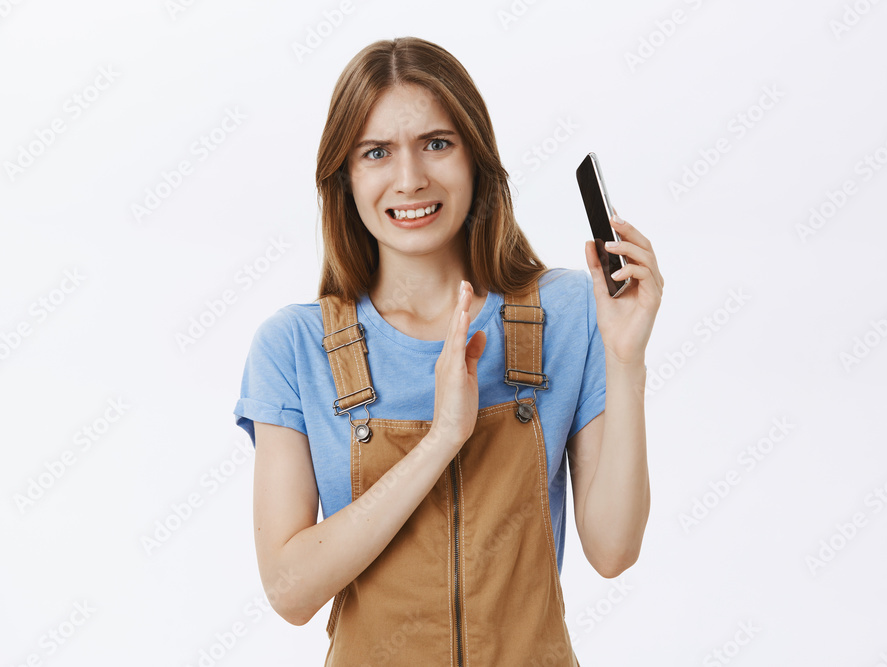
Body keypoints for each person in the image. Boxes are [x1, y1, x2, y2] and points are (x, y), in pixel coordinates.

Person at [233, 36, 662, 666]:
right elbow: (290, 591)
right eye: (376, 152)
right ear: (344, 177)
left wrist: (626, 361)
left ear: (475, 159)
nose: (410, 180)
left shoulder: (572, 313)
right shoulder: (294, 347)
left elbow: (614, 550)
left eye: (437, 143)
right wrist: (442, 439)